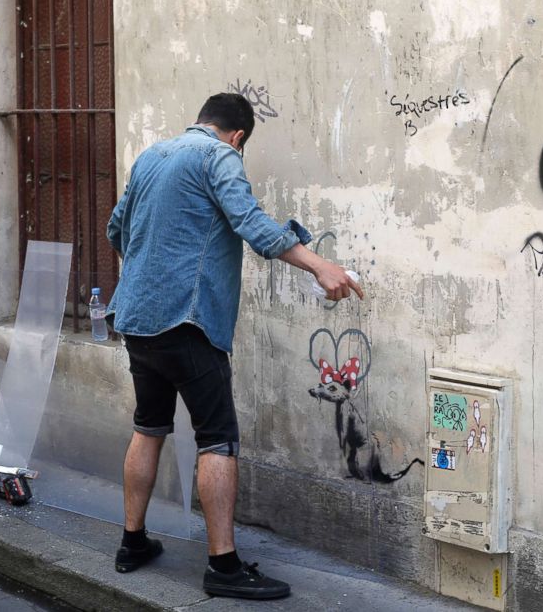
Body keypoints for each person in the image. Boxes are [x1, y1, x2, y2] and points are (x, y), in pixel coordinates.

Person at [106, 94, 363, 599]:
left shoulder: (152, 155)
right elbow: (250, 222)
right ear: (238, 136)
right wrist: (320, 265)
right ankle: (223, 567)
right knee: (217, 438)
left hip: (137, 318)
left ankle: (132, 543)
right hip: (188, 321)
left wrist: (153, 265)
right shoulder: (218, 156)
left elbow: (118, 228)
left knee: (149, 425)